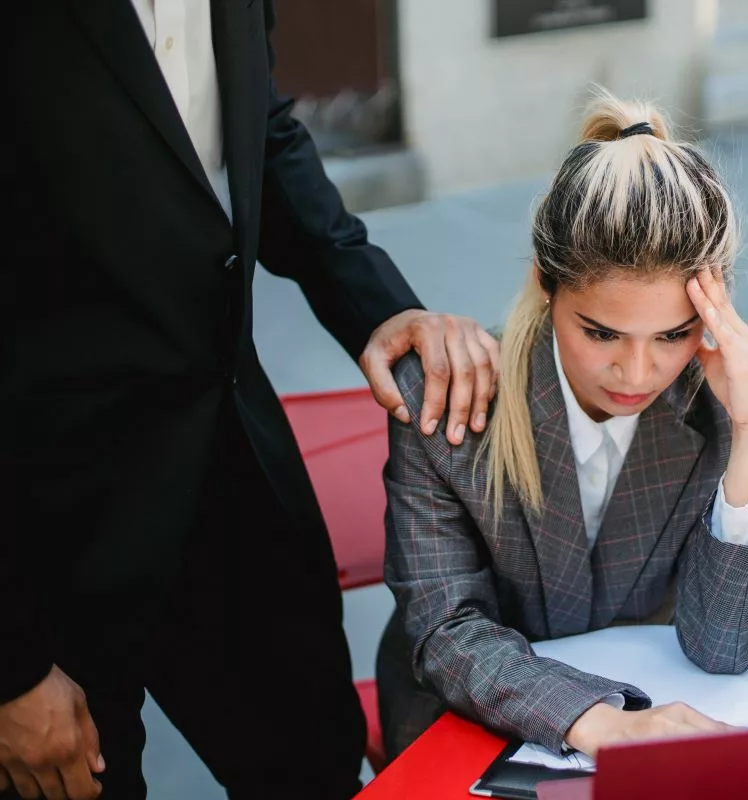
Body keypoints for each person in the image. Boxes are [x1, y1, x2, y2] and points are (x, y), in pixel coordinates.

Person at [0, 3, 497, 799]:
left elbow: (260, 133)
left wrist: (383, 311)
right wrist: (9, 668)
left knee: (316, 767)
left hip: (229, 467)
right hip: (47, 531)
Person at [376, 92, 748, 759]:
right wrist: (597, 722)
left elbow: (727, 644)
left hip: (651, 710)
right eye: (601, 333)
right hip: (469, 722)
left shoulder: (729, 392)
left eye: (675, 334)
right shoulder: (449, 397)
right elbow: (446, 630)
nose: (637, 371)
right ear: (546, 285)